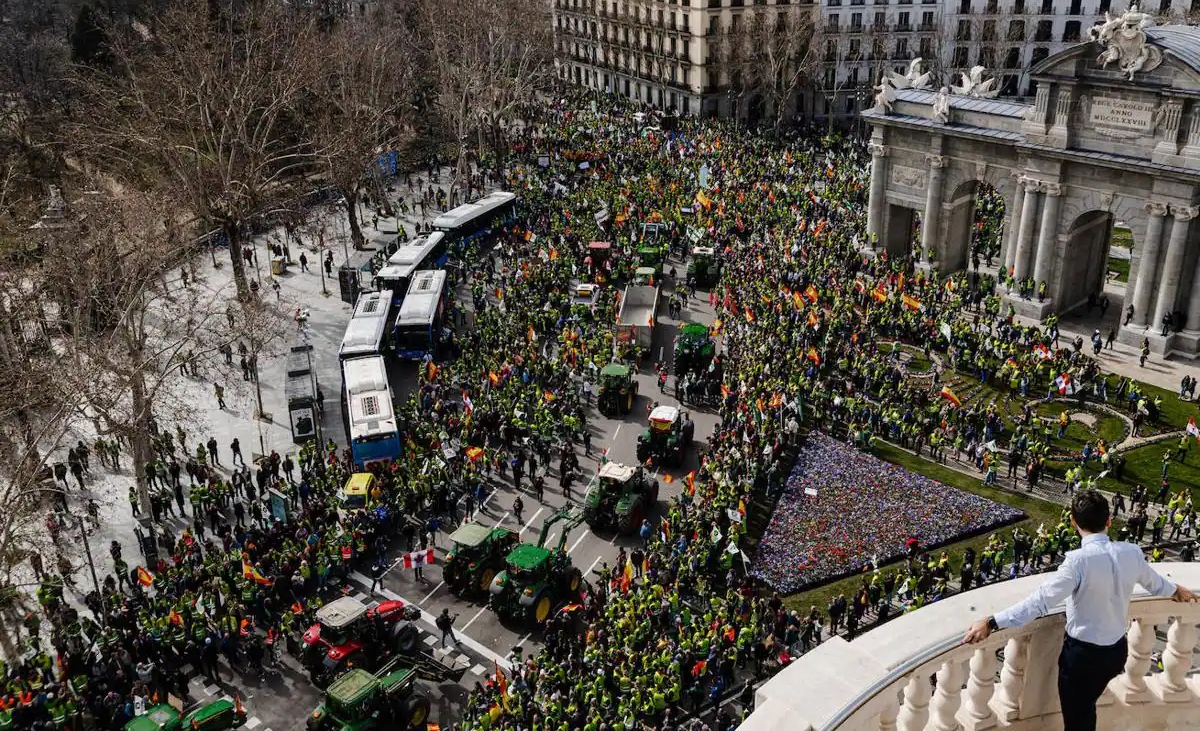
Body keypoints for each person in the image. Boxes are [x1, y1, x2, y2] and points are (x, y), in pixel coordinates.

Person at [963, 490, 1196, 731]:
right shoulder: (1131, 553)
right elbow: (1156, 583)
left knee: (1078, 720)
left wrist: (991, 622)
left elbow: (1039, 602)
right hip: (1117, 650)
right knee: (1085, 709)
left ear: (1073, 522)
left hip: (1083, 658)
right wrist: (1177, 590)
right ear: (1109, 521)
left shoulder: (1077, 561)